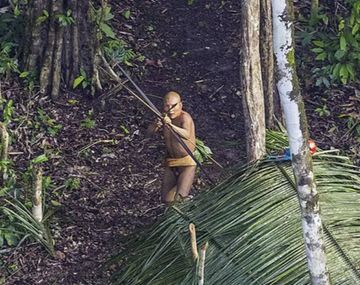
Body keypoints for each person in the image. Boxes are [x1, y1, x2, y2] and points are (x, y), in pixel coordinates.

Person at [147, 91, 196, 203]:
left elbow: (186, 134)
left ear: (180, 105)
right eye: (167, 106)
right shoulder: (164, 117)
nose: (171, 109)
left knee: (179, 200)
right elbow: (148, 134)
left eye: (174, 106)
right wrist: (155, 125)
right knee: (166, 199)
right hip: (171, 162)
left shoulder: (185, 118)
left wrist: (170, 125)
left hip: (186, 163)